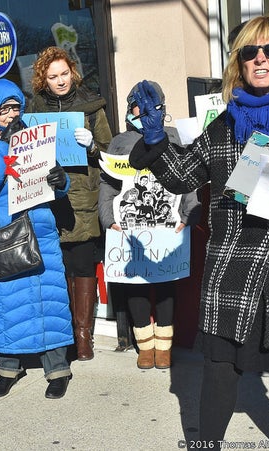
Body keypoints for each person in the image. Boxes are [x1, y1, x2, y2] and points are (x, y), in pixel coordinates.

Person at [129, 16, 269, 446]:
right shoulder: (225, 123)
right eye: (249, 52)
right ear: (238, 63)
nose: (261, 58)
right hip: (234, 266)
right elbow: (183, 175)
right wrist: (153, 137)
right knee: (219, 368)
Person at [0, 78, 74, 399]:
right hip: (0, 233)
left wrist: (61, 179)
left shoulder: (34, 137)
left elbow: (55, 181)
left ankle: (57, 369)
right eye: (3, 110)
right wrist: (4, 145)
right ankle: (8, 368)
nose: (11, 115)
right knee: (3, 303)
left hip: (38, 226)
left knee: (46, 300)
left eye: (15, 107)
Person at [100, 81, 200, 370]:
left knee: (167, 286)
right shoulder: (120, 141)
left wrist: (188, 214)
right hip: (130, 230)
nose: (145, 111)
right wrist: (109, 219)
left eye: (154, 106)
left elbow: (189, 178)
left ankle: (164, 346)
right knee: (137, 288)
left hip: (168, 227)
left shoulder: (175, 137)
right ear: (130, 108)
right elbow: (108, 183)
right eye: (139, 106)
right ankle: (145, 345)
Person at [27, 46, 112, 361]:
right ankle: (64, 333)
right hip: (48, 198)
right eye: (53, 76)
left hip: (83, 197)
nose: (60, 81)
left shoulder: (91, 107)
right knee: (56, 269)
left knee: (81, 265)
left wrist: (91, 146)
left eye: (64, 74)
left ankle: (83, 336)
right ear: (43, 80)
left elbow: (109, 152)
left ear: (72, 72)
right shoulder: (34, 110)